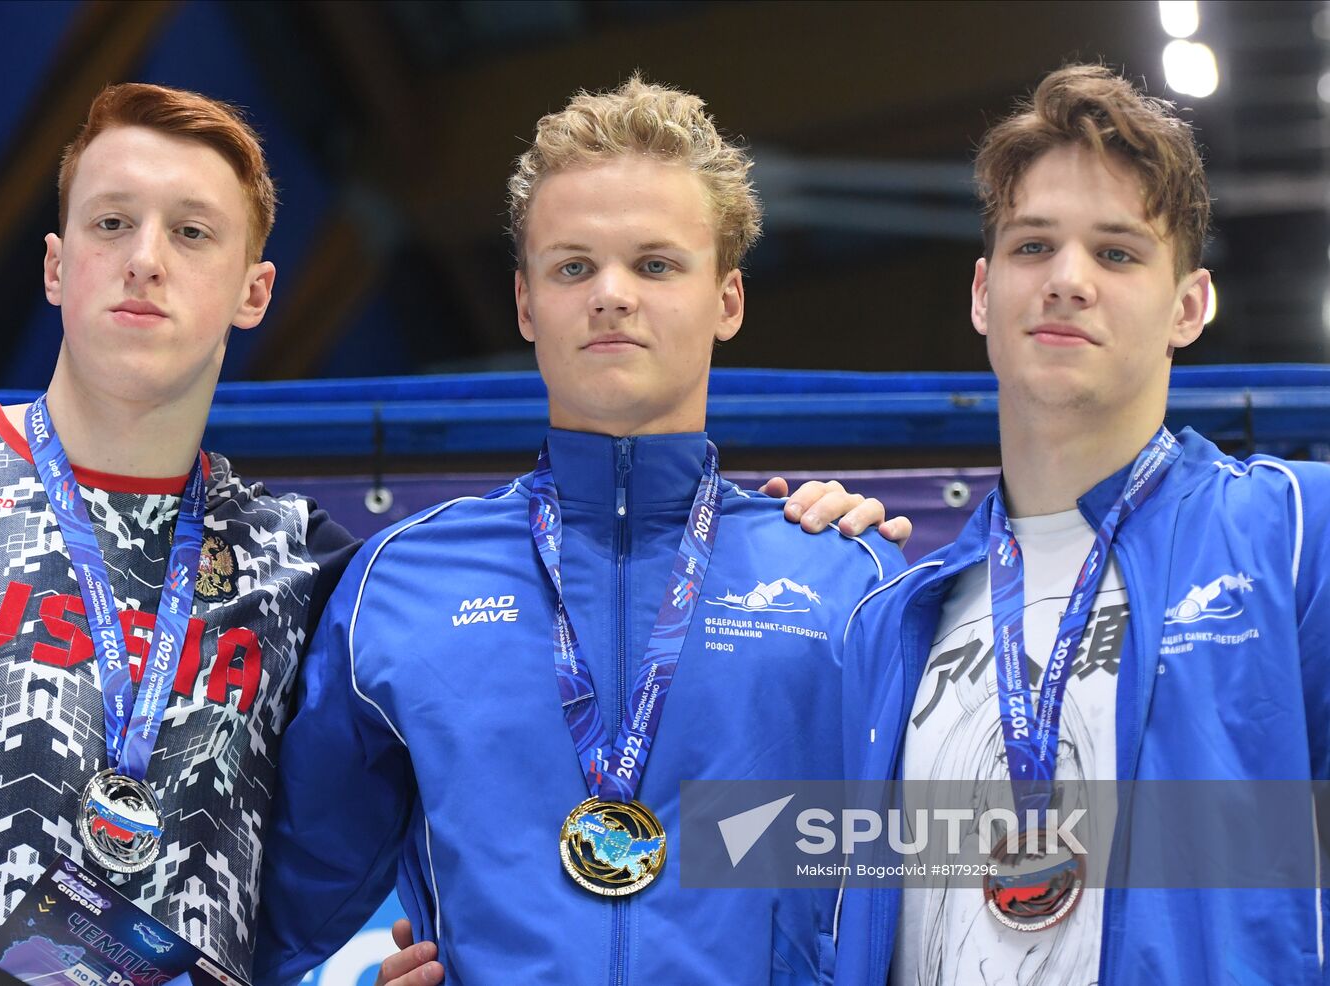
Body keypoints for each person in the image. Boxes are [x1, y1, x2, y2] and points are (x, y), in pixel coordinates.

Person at [254, 76, 908, 985]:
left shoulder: (849, 580)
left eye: (655, 264)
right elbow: (261, 924)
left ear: (728, 300)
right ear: (526, 305)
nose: (611, 295)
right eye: (573, 266)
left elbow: (959, 898)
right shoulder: (401, 585)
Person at [823, 64, 1330, 985]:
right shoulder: (895, 619)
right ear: (983, 295)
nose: (1067, 281)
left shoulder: (1294, 535)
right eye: (1032, 247)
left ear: (1189, 306)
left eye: (1118, 252)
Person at [0, 82, 446, 984]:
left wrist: (780, 531)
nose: (145, 260)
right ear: (55, 267)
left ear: (254, 292)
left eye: (192, 232)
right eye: (111, 223)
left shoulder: (305, 564)